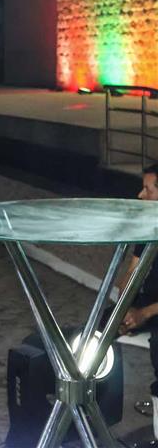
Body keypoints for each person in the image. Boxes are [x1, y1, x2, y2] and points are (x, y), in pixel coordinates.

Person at [111, 163, 158, 445]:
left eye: (148, 189)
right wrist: (124, 309)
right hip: (146, 304)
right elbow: (130, 273)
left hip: (154, 309)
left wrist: (144, 313)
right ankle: (96, 408)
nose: (140, 195)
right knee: (98, 329)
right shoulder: (149, 228)